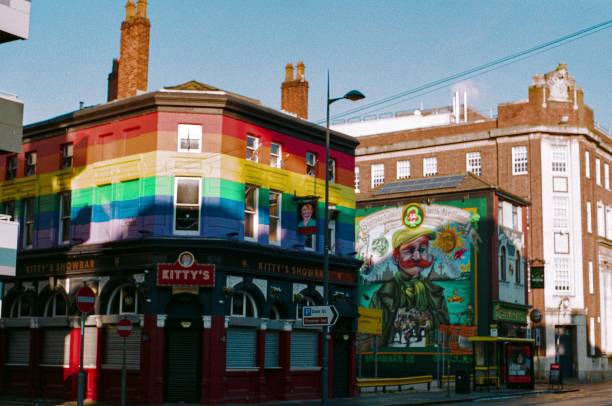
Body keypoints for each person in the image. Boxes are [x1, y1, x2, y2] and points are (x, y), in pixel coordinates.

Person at [370, 226, 449, 347]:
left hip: (431, 356)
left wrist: (429, 319)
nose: (417, 257)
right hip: (390, 357)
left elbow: (446, 327)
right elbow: (370, 333)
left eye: (422, 250)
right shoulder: (381, 295)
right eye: (409, 251)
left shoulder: (436, 292)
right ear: (396, 258)